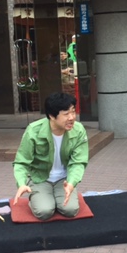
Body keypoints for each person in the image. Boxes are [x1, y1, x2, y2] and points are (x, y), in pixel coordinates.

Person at [13, 92, 88, 220]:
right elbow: (21, 162)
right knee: (44, 212)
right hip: (40, 178)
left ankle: (58, 195)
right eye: (66, 114)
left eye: (73, 112)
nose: (72, 117)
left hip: (64, 180)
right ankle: (37, 198)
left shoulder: (79, 130)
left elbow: (78, 162)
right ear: (52, 116)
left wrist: (71, 183)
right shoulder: (33, 130)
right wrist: (21, 183)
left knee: (70, 210)